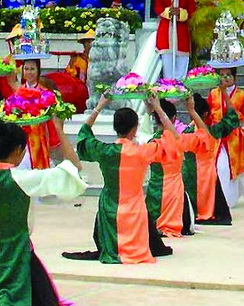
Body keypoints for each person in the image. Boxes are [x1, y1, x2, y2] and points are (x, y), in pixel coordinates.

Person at [0, 119, 88, 306]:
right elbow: (75, 168)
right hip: (18, 251)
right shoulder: (25, 178)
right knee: (42, 303)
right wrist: (58, 128)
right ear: (20, 150)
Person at [65, 92, 175, 264]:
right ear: (135, 128)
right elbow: (171, 138)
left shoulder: (104, 151)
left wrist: (99, 107)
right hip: (136, 211)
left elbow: (84, 136)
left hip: (110, 210)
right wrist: (158, 109)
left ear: (115, 127)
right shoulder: (143, 152)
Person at [149, 97, 216, 238]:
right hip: (174, 191)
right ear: (174, 118)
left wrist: (154, 108)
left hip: (154, 191)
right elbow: (205, 135)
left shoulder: (150, 142)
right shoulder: (179, 140)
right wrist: (191, 110)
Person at [209, 69, 244, 208]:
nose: (225, 78)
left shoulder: (241, 95)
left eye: (228, 75)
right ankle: (221, 199)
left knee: (233, 168)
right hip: (216, 136)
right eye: (222, 75)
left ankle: (230, 198)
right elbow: (207, 113)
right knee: (220, 167)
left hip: (234, 138)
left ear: (234, 77)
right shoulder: (213, 93)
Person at [183, 92, 241, 227]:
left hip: (189, 174)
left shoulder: (185, 133)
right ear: (206, 114)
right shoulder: (213, 131)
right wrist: (224, 92)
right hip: (207, 174)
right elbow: (232, 118)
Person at [0, 54, 57, 170]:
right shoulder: (17, 92)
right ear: (22, 71)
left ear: (38, 71)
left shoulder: (45, 94)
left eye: (32, 69)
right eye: (26, 69)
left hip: (37, 135)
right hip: (20, 136)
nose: (29, 72)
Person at [154, 0, 197, 82]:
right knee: (167, 66)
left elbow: (192, 10)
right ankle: (168, 91)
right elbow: (158, 7)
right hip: (165, 30)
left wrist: (180, 12)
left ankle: (180, 91)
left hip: (181, 30)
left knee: (182, 63)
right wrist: (169, 11)